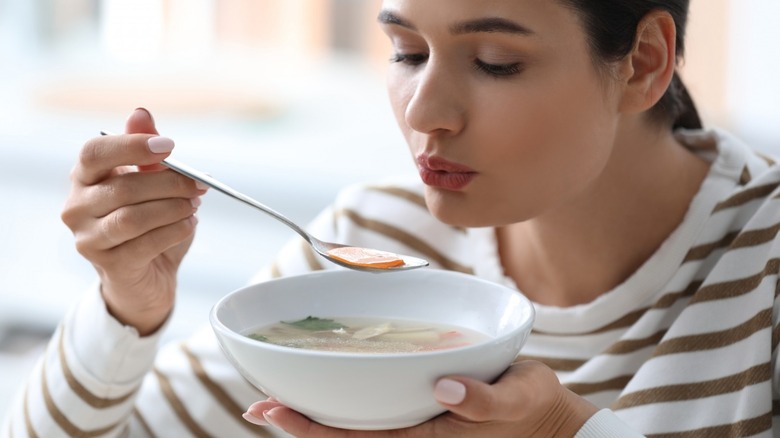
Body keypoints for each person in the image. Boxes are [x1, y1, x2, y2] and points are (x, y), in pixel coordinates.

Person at [3, 0, 779, 436]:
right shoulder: (377, 241)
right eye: (407, 53)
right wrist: (128, 304)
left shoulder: (764, 263)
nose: (426, 114)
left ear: (644, 62)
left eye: (495, 64)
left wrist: (563, 431)